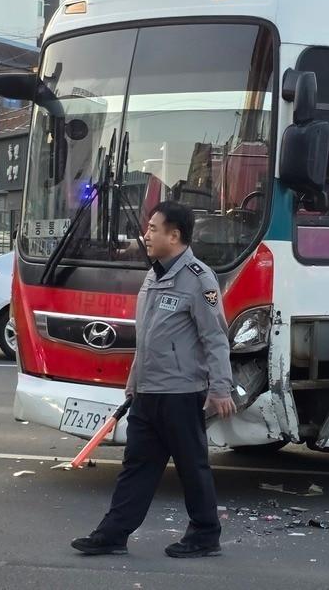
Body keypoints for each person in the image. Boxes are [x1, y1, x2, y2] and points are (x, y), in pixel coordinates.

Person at [71, 201, 236, 559]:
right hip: (147, 393)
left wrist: (221, 387)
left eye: (155, 229)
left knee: (192, 467)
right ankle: (113, 533)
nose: (147, 234)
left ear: (174, 236)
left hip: (180, 393)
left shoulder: (198, 279)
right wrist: (134, 381)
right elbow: (148, 337)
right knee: (137, 467)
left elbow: (215, 337)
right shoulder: (155, 273)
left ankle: (205, 534)